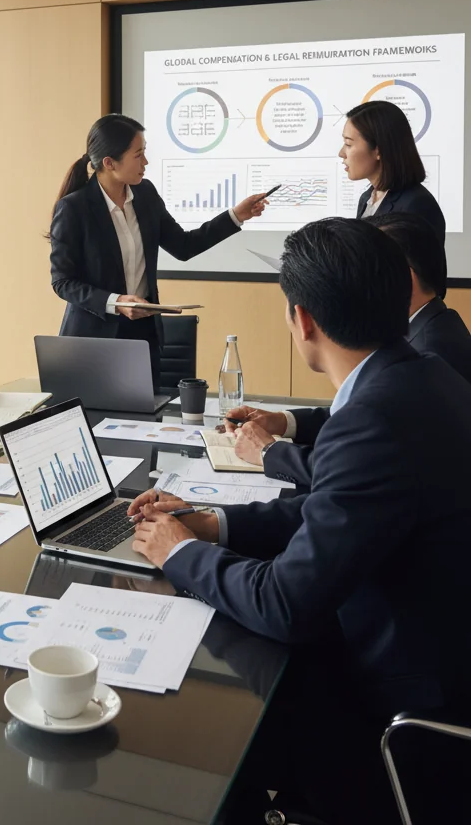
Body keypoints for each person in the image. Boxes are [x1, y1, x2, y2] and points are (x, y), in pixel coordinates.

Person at [127, 217, 471, 823]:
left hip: (405, 710)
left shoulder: (373, 418)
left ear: (303, 320)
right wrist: (213, 524)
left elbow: (286, 604)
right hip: (439, 652)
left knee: (220, 730)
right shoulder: (423, 377)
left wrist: (179, 552)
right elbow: (334, 511)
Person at [230, 211, 471, 487]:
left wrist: (268, 452)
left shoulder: (433, 350)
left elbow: (362, 459)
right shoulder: (428, 333)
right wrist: (285, 422)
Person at [48, 114, 268, 384]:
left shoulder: (145, 195)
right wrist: (115, 302)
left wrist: (236, 215)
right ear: (109, 163)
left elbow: (183, 246)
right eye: (138, 155)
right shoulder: (74, 208)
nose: (146, 162)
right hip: (93, 341)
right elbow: (63, 282)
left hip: (143, 337)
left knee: (144, 421)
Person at [342, 99, 445, 242]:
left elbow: (421, 264)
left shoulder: (417, 205)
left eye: (348, 144)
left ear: (379, 150)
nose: (342, 153)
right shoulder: (367, 198)